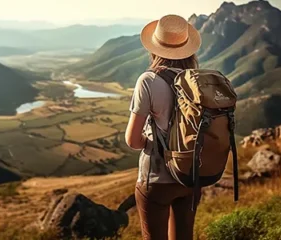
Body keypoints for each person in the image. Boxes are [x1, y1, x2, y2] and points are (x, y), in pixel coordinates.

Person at [125, 14, 202, 240]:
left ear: (155, 47)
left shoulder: (148, 80)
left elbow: (132, 140)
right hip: (191, 176)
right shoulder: (198, 81)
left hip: (157, 179)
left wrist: (150, 142)